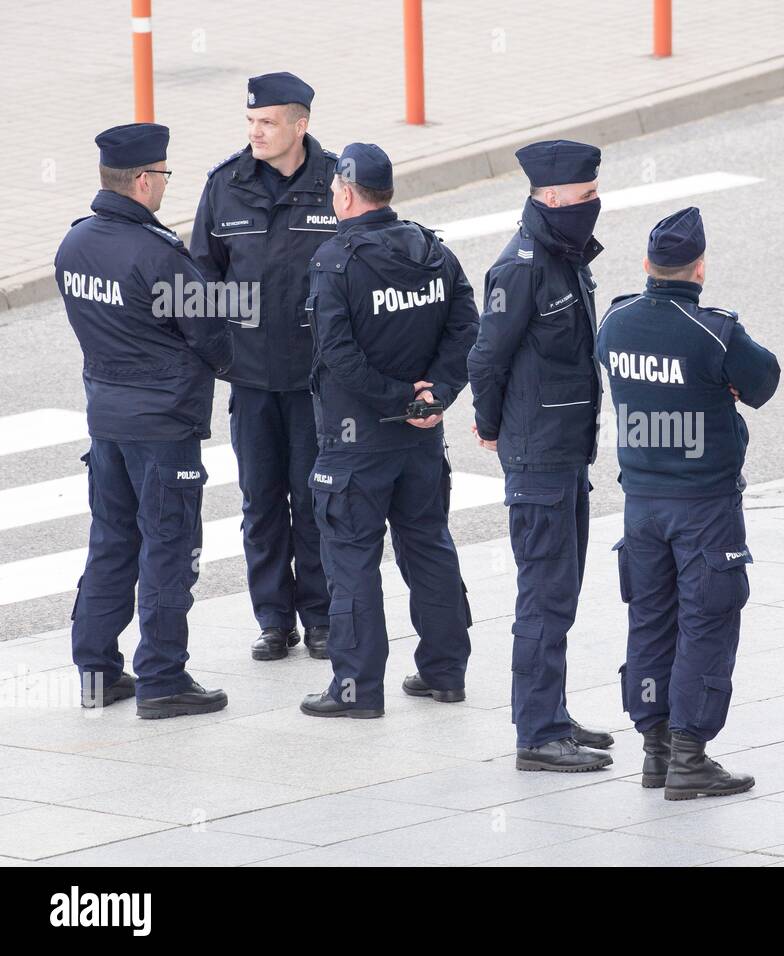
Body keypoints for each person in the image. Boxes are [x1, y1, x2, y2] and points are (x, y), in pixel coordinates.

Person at [596, 207, 780, 799]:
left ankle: (654, 750)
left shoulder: (616, 322)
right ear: (699, 269)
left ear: (646, 265)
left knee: (650, 620)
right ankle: (690, 756)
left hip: (641, 503)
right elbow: (765, 381)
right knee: (706, 622)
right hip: (704, 506)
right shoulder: (715, 331)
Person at [56, 123, 232, 718]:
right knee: (169, 548)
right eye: (161, 176)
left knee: (111, 543)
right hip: (163, 427)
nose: (164, 186)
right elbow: (212, 332)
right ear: (140, 180)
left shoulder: (74, 245)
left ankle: (96, 672)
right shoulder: (158, 254)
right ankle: (163, 677)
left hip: (107, 421)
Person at [298, 143, 478, 718]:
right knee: (427, 547)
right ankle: (445, 673)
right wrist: (438, 393)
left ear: (347, 193)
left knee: (351, 560)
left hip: (357, 443)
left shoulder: (335, 261)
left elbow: (338, 354)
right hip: (421, 436)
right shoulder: (433, 251)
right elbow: (466, 326)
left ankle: (356, 689)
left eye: (333, 190)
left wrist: (400, 398)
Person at [467, 139, 615, 771]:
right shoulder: (523, 266)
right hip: (537, 456)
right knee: (543, 595)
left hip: (565, 453)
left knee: (565, 589)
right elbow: (485, 357)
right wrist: (491, 426)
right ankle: (537, 733)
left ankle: (552, 711)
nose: (594, 206)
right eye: (585, 197)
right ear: (550, 197)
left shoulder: (563, 252)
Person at [191, 72, 337, 662]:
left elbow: (370, 264)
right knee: (260, 500)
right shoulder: (225, 185)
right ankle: (274, 619)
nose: (256, 132)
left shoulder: (337, 184)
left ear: (299, 125)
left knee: (316, 499)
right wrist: (221, 355)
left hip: (315, 380)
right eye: (251, 122)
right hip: (251, 380)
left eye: (268, 122)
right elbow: (200, 279)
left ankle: (322, 617)